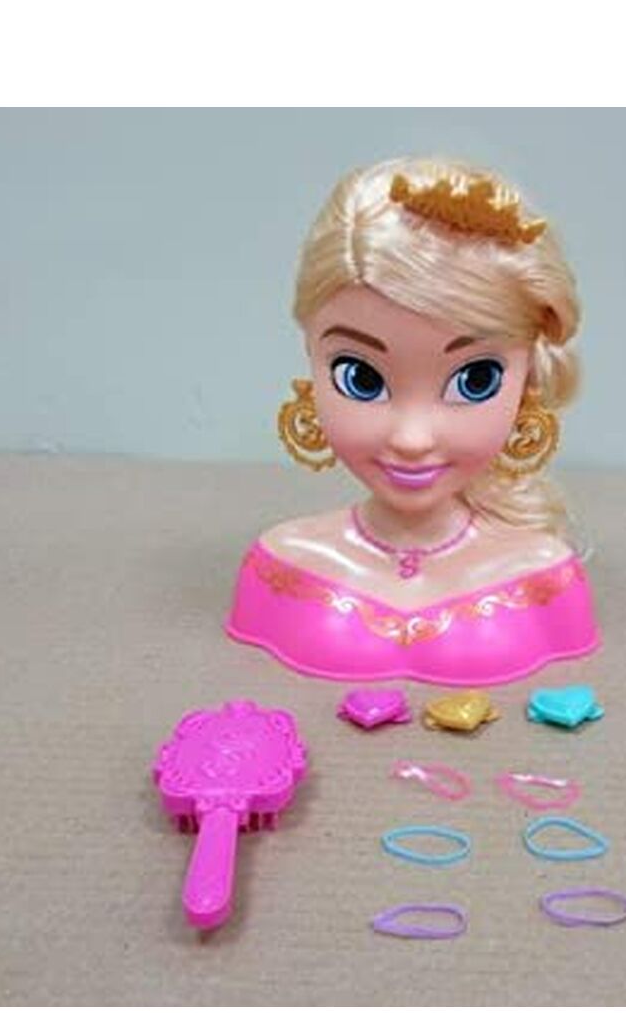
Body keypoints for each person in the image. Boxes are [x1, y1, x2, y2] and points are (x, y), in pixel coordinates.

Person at [225, 156, 601, 686]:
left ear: (529, 378)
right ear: (310, 356)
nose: (411, 438)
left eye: (475, 380)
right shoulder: (284, 565)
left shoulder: (541, 574)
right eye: (361, 378)